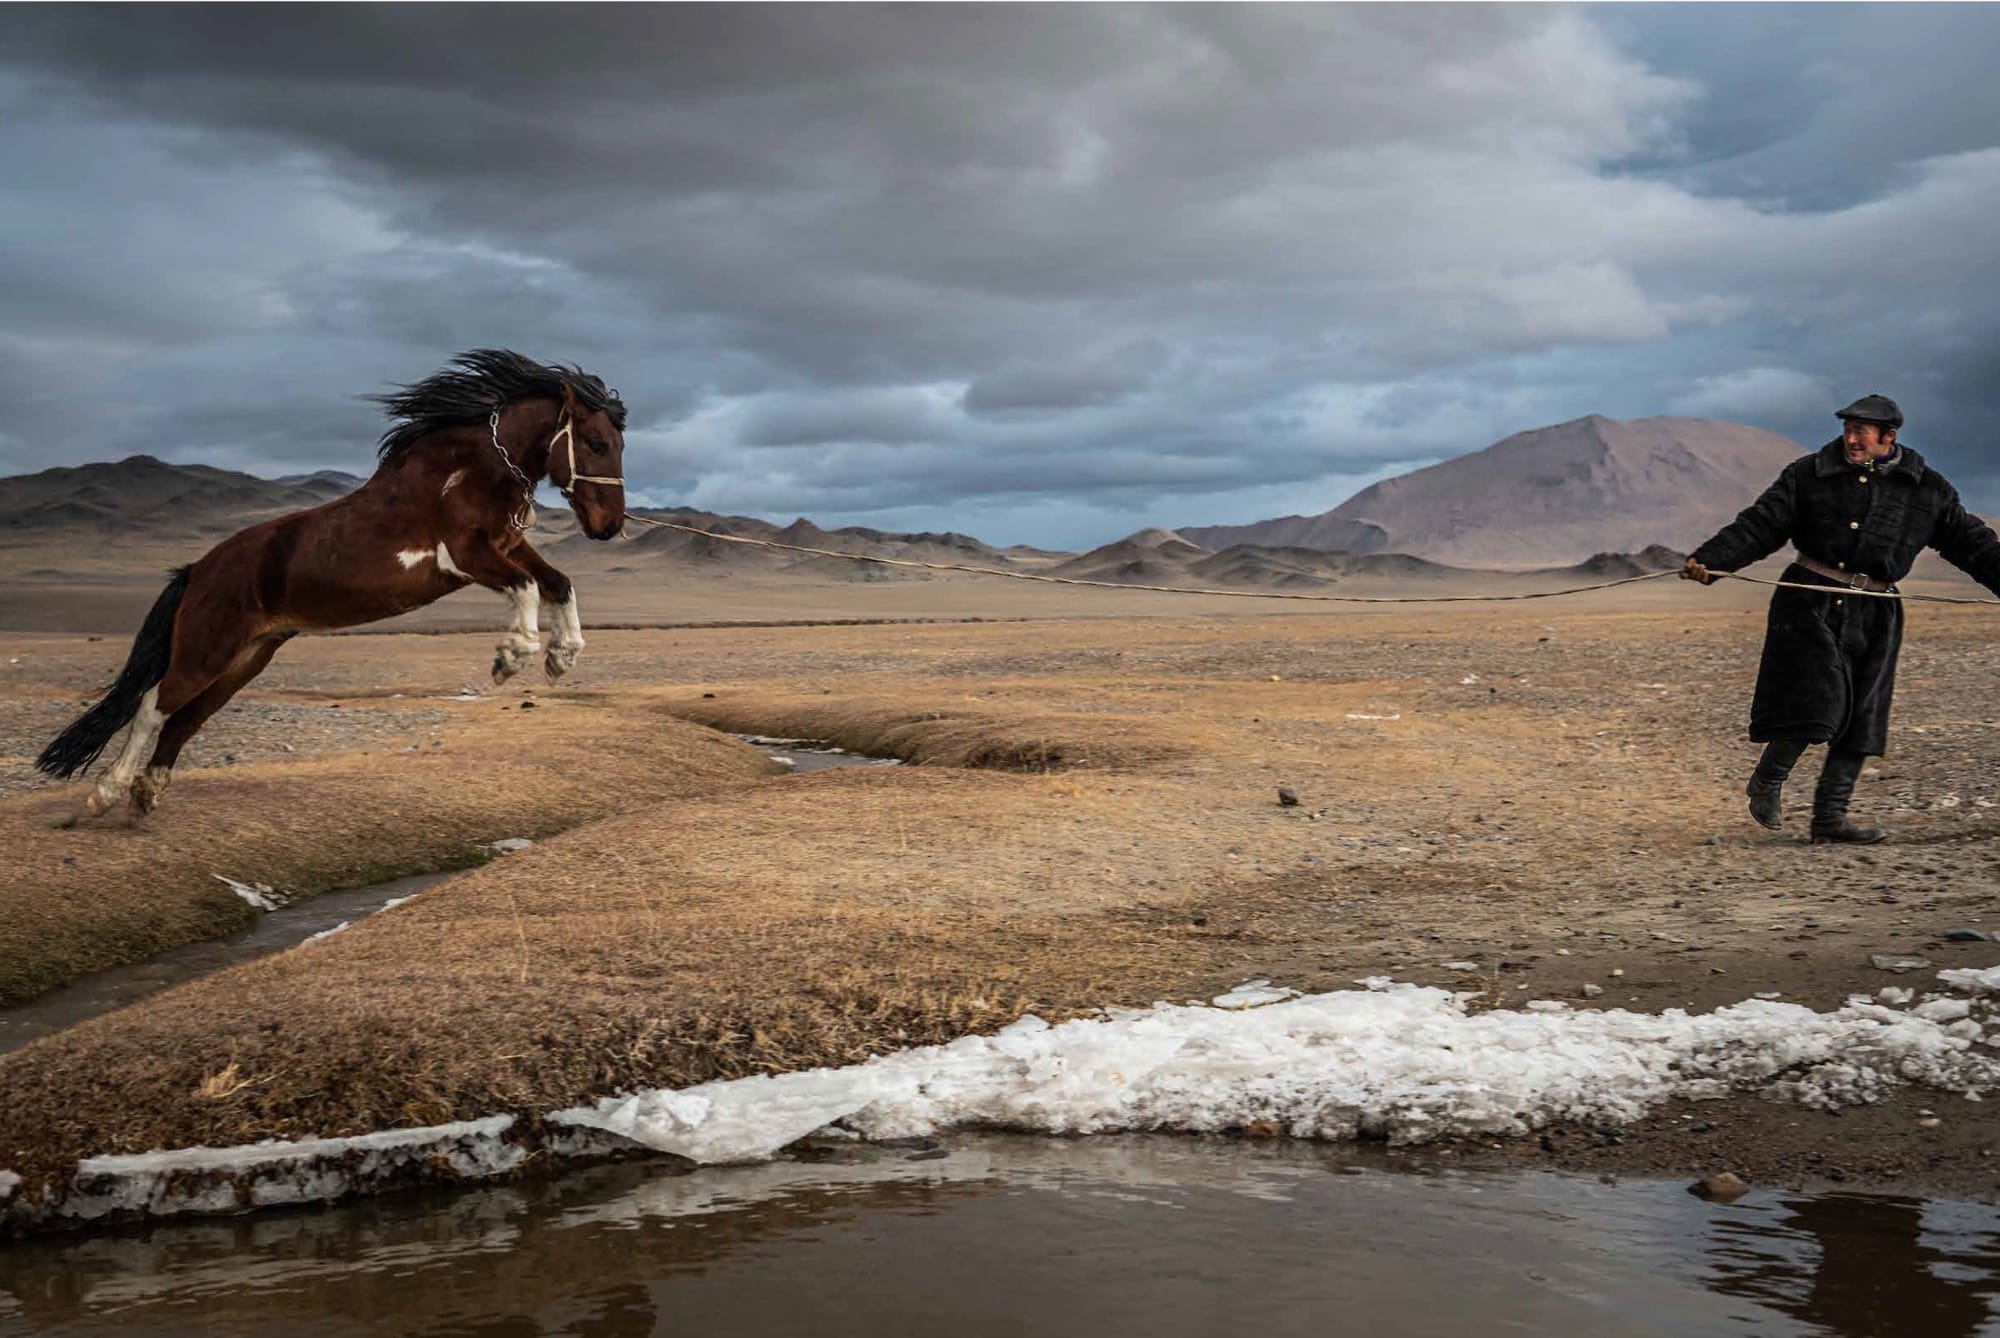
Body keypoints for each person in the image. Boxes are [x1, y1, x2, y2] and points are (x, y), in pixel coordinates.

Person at [1681, 394, 2000, 842]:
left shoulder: (1927, 489)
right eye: (1848, 429)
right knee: (1819, 700)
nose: (1851, 438)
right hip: (1809, 600)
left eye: (1861, 431)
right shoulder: (1809, 474)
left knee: (1861, 718)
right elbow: (1761, 524)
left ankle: (1829, 820)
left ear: (1889, 437)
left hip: (1878, 610)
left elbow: (1973, 543)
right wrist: (1712, 560)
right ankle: (1767, 782)